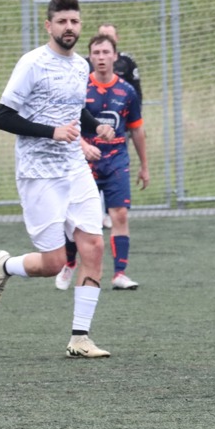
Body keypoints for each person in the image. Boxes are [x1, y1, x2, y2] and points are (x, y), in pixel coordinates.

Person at [0, 0, 116, 358]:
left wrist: (95, 125)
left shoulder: (80, 65)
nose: (69, 27)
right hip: (39, 173)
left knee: (94, 245)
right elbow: (3, 118)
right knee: (55, 263)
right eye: (62, 22)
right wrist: (51, 132)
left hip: (73, 168)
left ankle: (80, 338)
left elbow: (75, 108)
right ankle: (6, 265)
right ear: (49, 25)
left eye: (74, 21)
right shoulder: (32, 63)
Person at [55, 34, 149, 292]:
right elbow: (68, 123)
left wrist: (144, 166)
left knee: (119, 215)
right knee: (76, 219)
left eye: (106, 52)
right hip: (83, 163)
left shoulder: (127, 91)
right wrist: (83, 146)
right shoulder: (80, 87)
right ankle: (70, 264)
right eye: (96, 53)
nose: (101, 57)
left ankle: (119, 273)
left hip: (116, 161)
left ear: (115, 57)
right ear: (90, 57)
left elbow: (137, 130)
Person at [89, 22, 142, 230]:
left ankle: (114, 209)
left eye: (109, 37)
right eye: (101, 36)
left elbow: (136, 92)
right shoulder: (87, 70)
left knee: (116, 166)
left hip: (119, 128)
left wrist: (134, 118)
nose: (102, 56)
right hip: (91, 135)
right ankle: (97, 212)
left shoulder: (127, 63)